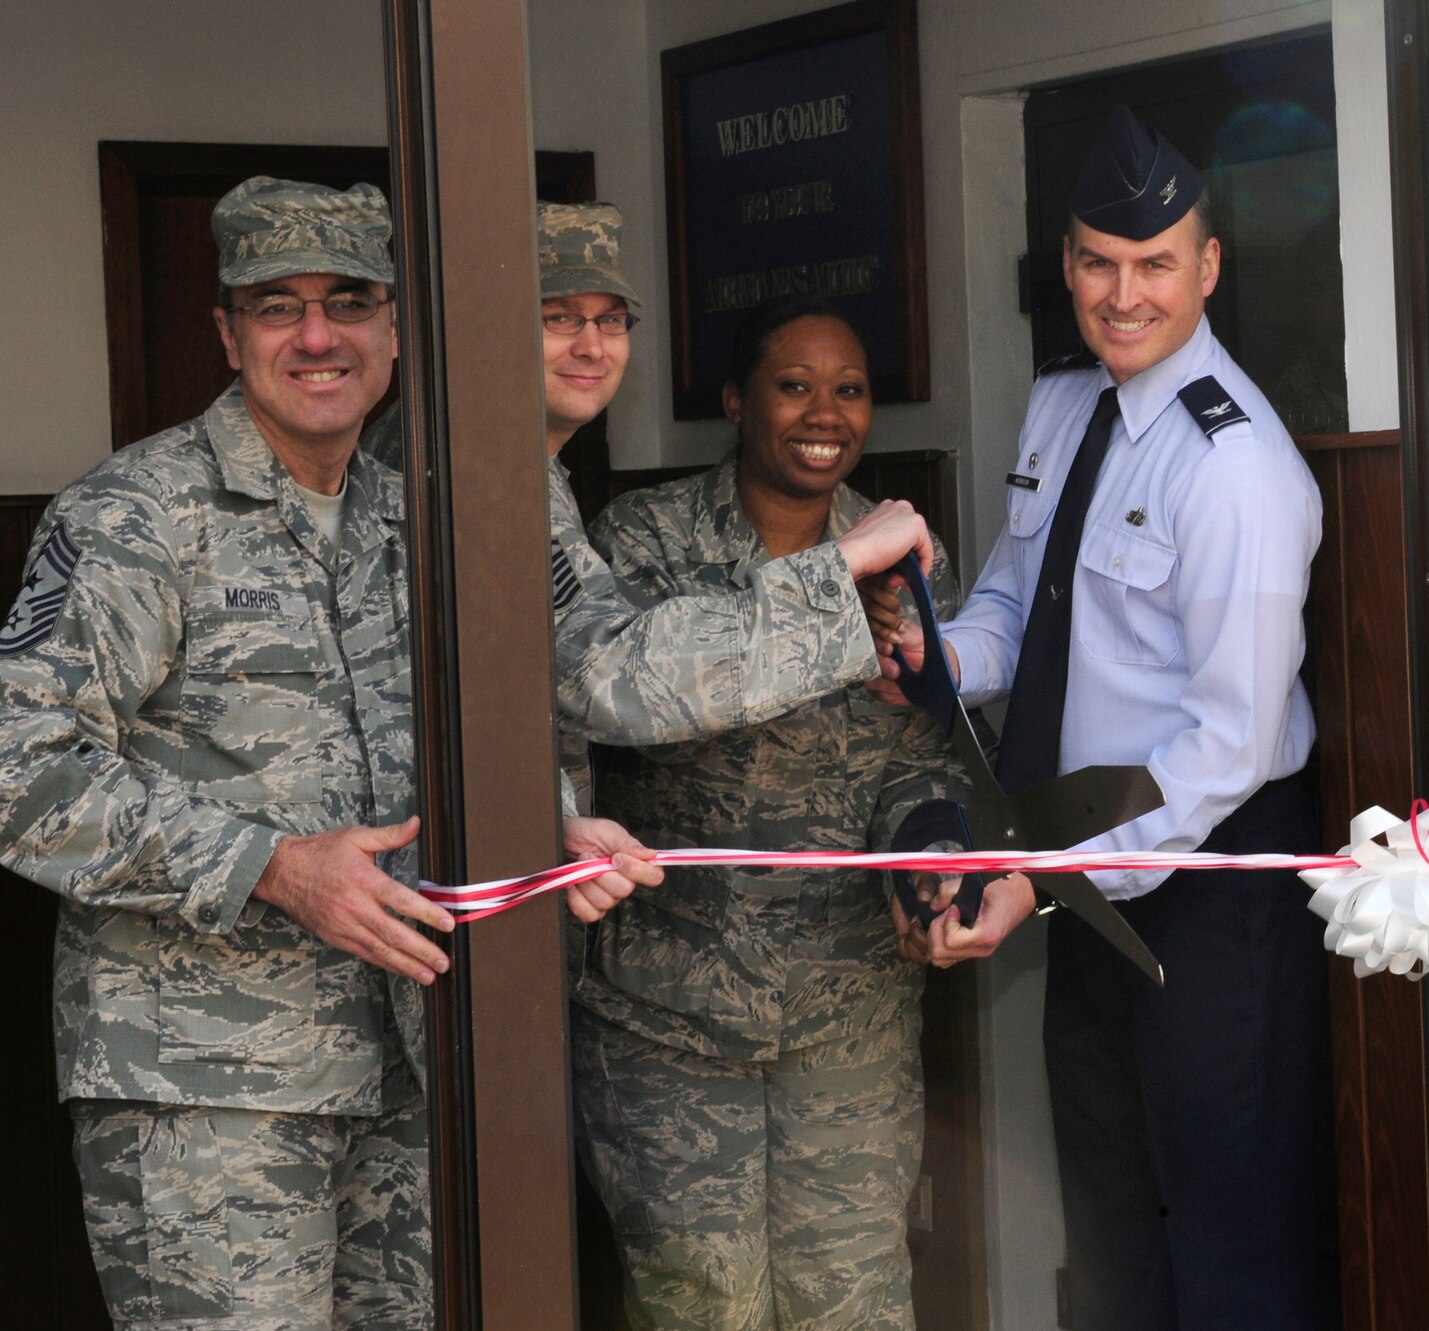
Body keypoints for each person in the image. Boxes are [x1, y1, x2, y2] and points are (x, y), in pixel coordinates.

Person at [0, 177, 656, 1330]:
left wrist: (545, 827)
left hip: (404, 1069)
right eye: (276, 304)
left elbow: (457, 737)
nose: (316, 335)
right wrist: (270, 865)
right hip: (206, 1093)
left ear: (397, 329)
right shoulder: (138, 515)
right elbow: (20, 767)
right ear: (227, 331)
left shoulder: (417, 520)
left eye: (350, 300)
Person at [876, 106, 1328, 1328]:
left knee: (1227, 1229)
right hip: (1075, 867)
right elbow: (1019, 603)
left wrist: (1042, 877)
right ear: (1066, 264)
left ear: (1207, 267)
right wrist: (936, 653)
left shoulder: (1232, 467)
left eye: (1154, 265)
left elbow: (1223, 746)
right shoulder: (1060, 405)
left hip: (1204, 874)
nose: (1121, 295)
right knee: (1109, 1214)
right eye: (1095, 262)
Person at [574, 297, 988, 1330]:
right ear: (734, 399)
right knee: (697, 1304)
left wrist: (927, 859)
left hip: (846, 1014)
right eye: (793, 383)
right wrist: (826, 593)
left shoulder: (907, 560)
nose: (824, 412)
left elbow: (925, 758)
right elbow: (632, 703)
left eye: (848, 389)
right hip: (668, 1015)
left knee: (851, 1299)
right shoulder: (644, 540)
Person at [362, 201, 937, 808]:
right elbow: (602, 676)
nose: (592, 347)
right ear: (489, 322)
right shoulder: (474, 460)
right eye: (559, 318)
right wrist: (839, 567)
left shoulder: (504, 453)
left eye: (610, 321)